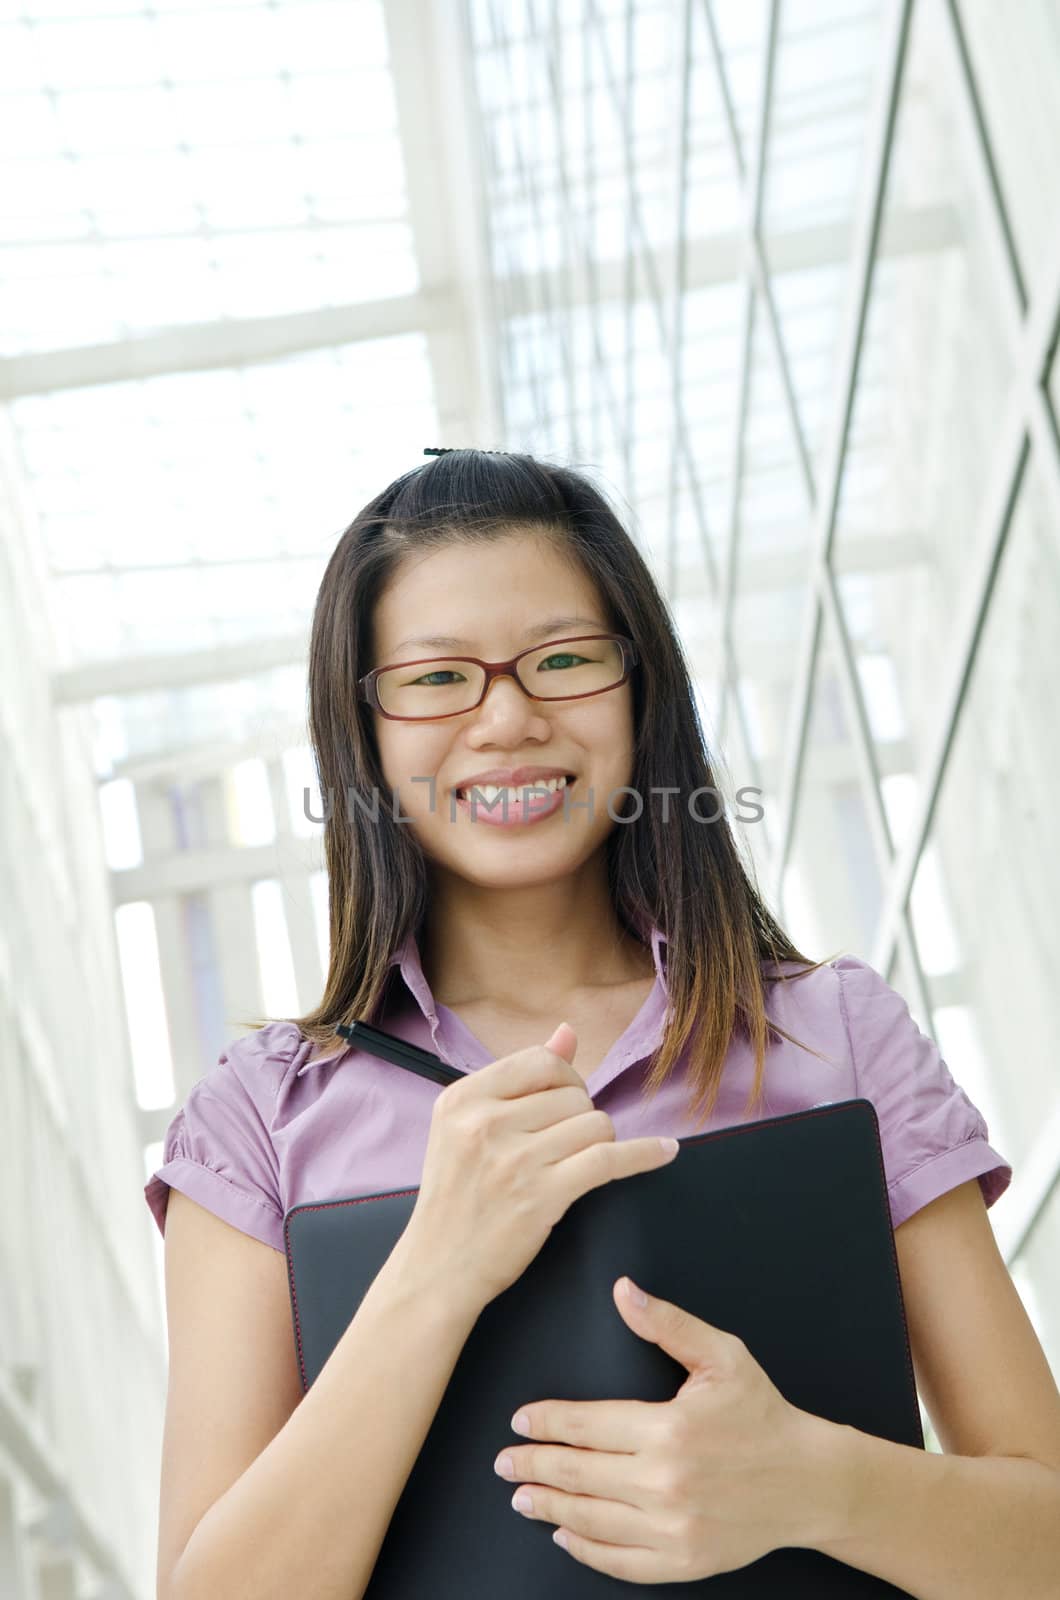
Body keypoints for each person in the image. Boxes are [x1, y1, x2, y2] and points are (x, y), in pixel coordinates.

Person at [146, 449, 1053, 1600]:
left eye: (564, 660)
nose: (509, 718)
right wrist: (435, 1267)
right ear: (362, 729)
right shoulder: (261, 1117)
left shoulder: (835, 1035)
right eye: (436, 680)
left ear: (641, 691)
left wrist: (814, 1486)